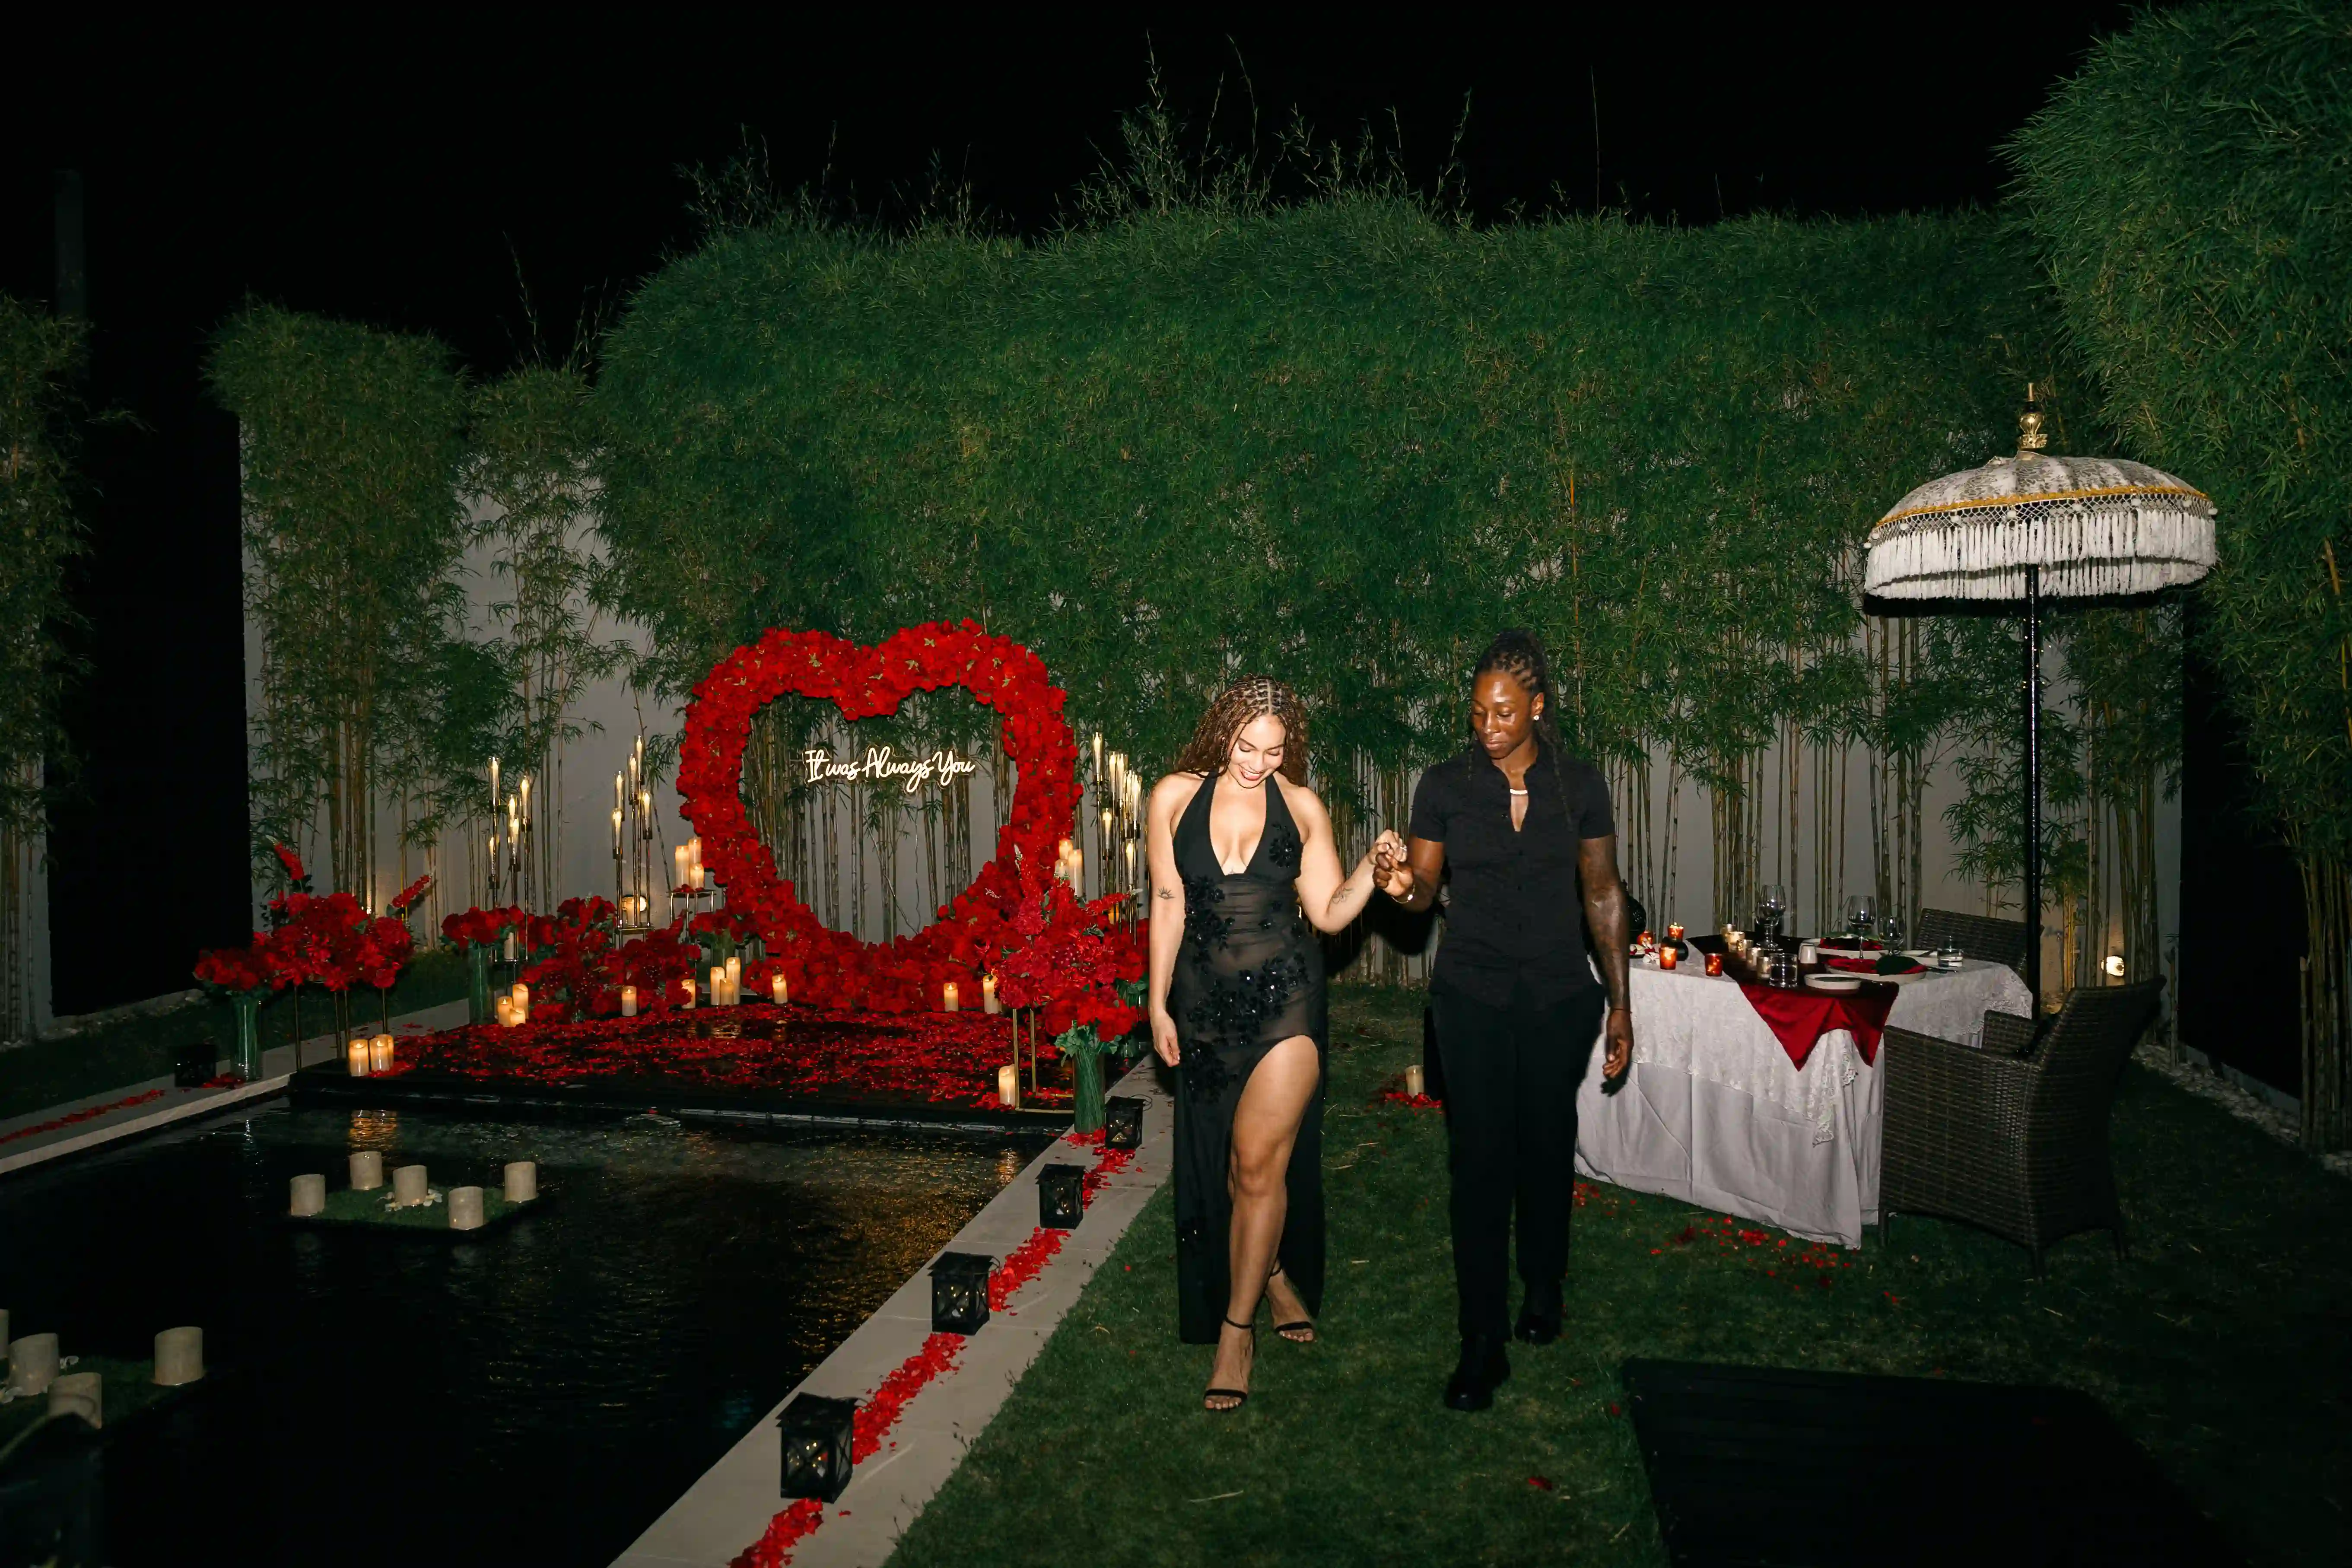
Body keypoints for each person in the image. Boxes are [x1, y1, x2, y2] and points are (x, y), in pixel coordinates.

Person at [1373, 629, 1633, 1412]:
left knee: (1547, 1143)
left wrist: (1621, 1003)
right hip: (1473, 995)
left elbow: (1603, 894)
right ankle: (1480, 1344)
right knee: (1480, 1162)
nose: (1488, 726)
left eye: (1505, 712)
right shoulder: (1444, 786)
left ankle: (1545, 1283)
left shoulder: (1578, 785)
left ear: (1539, 708)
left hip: (1559, 995)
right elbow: (1423, 892)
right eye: (1479, 711)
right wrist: (1397, 885)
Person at [1146, 675, 1400, 1412]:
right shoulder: (1172, 797)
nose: (1258, 762)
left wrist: (1370, 875)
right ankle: (1276, 1274)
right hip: (1202, 1007)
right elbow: (1167, 901)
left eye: (1275, 750)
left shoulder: (1303, 807)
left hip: (1288, 1002)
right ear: (1222, 730)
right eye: (1246, 746)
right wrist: (1157, 1001)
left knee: (1259, 1166)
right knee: (1230, 1165)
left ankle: (1237, 1330)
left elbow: (1327, 913)